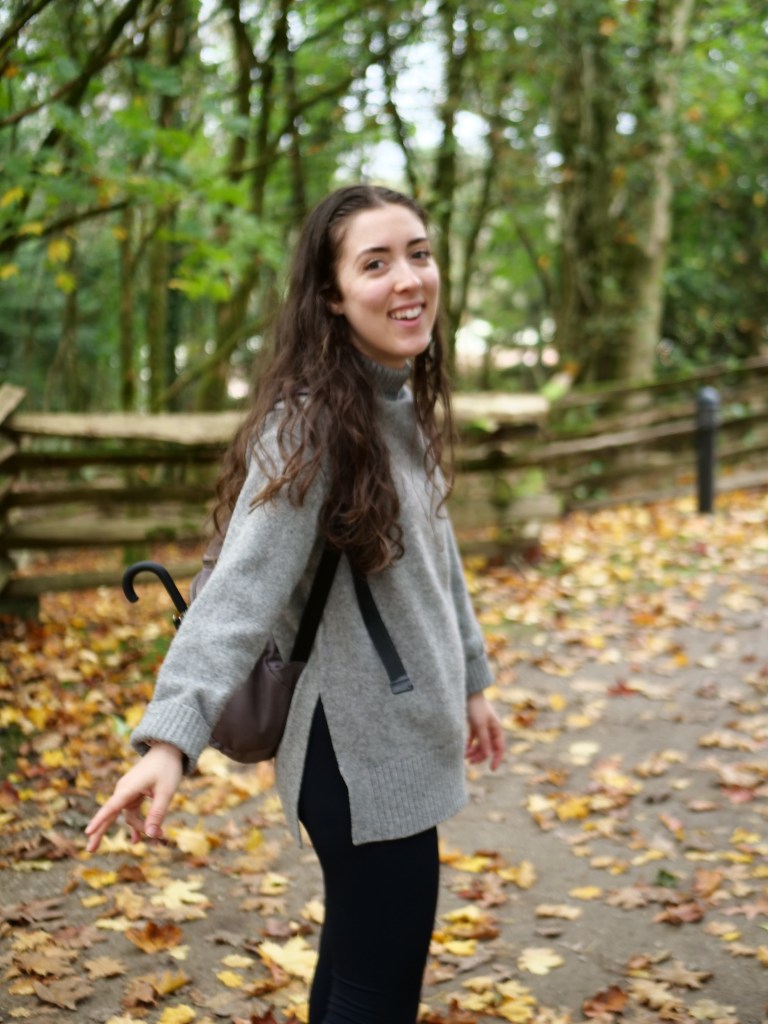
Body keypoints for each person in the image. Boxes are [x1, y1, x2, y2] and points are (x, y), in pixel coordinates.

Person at [85, 184, 505, 1024]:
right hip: (356, 753)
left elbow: (438, 559)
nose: (408, 279)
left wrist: (471, 678)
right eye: (375, 263)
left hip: (395, 736)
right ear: (332, 295)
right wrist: (170, 739)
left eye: (418, 254)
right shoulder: (313, 427)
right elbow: (239, 592)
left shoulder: (396, 399)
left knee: (354, 969)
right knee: (375, 993)